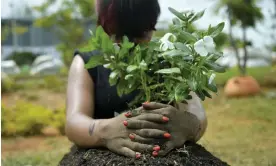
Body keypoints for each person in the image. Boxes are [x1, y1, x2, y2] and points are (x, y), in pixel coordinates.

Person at [65, 0, 207, 159]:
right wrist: (106, 130)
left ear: (104, 18)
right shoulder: (87, 62)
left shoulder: (170, 60)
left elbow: (197, 112)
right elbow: (73, 122)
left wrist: (187, 125)